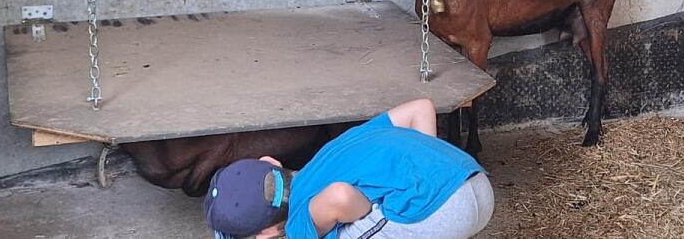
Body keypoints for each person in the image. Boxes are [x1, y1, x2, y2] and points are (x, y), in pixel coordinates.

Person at [203, 98, 494, 239]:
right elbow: (421, 107)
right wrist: (425, 175)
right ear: (271, 162)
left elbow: (340, 198)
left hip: (446, 209)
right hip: (473, 178)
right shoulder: (333, 151)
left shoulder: (300, 222)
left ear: (265, 235)